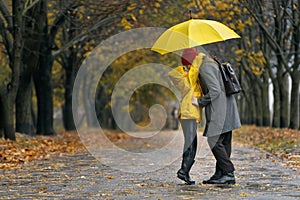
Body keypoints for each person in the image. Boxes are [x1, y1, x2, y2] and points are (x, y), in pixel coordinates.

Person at [193, 54, 241, 184]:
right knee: (224, 141)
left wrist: (199, 101)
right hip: (227, 107)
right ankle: (220, 174)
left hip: (220, 110)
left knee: (214, 140)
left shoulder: (205, 67)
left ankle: (228, 172)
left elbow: (215, 91)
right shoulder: (211, 62)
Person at [168, 48, 204, 185]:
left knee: (191, 142)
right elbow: (194, 70)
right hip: (188, 112)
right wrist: (200, 56)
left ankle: (185, 171)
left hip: (188, 113)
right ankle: (184, 171)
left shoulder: (186, 77)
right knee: (190, 142)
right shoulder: (188, 79)